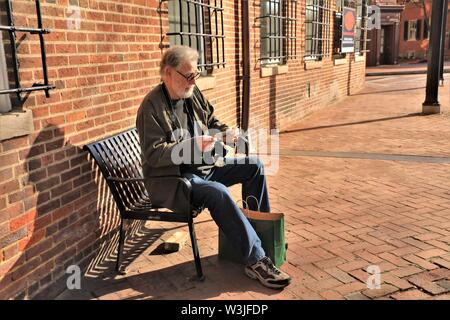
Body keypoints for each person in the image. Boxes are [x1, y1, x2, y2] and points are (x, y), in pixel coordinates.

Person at [136, 45, 291, 289]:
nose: (192, 81)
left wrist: (226, 133)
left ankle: (260, 233)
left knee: (254, 165)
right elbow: (154, 155)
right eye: (187, 75)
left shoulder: (191, 92)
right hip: (176, 180)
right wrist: (190, 145)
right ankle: (256, 260)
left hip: (205, 166)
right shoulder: (151, 107)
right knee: (217, 191)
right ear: (168, 72)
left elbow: (211, 120)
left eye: (195, 75)